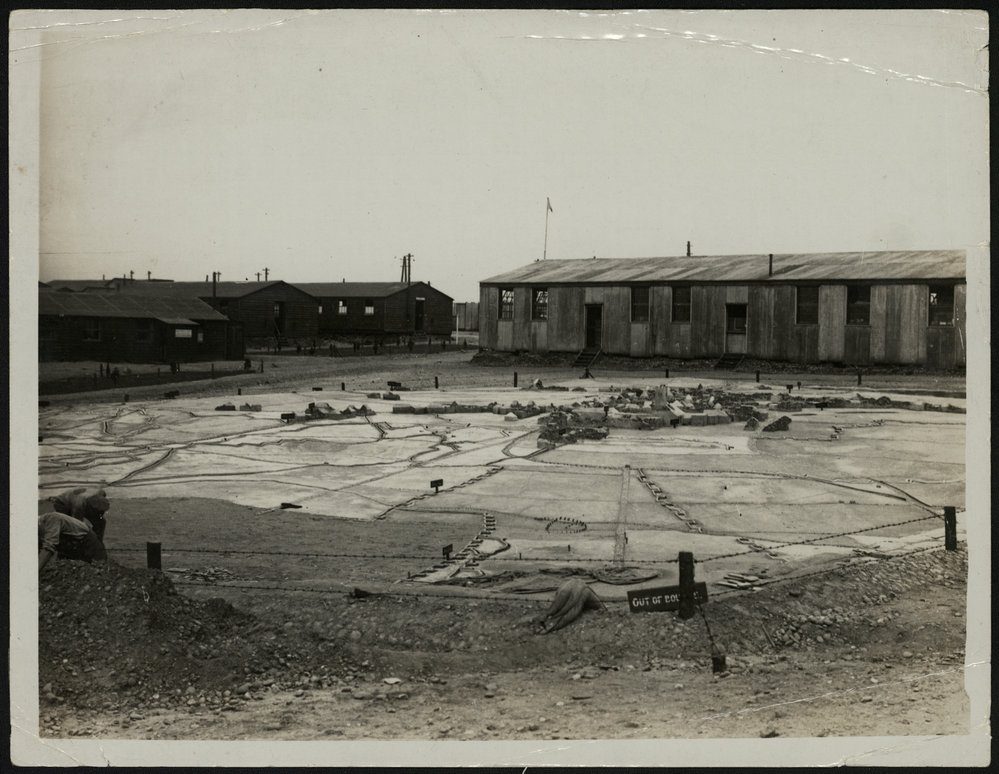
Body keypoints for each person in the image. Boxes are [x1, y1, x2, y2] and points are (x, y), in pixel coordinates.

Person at [38, 511, 107, 571]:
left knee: (99, 569)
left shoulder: (51, 519)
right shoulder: (38, 529)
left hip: (88, 542)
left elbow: (48, 548)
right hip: (72, 547)